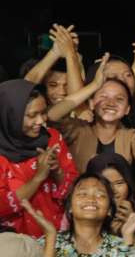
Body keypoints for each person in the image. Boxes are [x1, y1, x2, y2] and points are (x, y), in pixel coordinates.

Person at [47, 57, 135, 172]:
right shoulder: (78, 129)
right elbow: (51, 116)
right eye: (103, 97)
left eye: (119, 99)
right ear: (92, 103)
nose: (111, 103)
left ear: (127, 109)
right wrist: (94, 85)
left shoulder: (130, 136)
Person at [0, 79, 78, 236]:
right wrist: (38, 178)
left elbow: (73, 190)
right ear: (9, 115)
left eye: (43, 113)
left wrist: (57, 171)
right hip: (15, 244)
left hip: (57, 235)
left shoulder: (52, 138)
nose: (41, 121)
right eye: (32, 115)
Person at [86, 152, 135, 244]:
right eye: (106, 184)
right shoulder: (80, 214)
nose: (114, 191)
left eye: (119, 183)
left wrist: (132, 227)